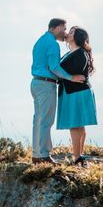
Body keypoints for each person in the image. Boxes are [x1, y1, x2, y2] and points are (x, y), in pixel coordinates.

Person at [30, 18, 86, 164]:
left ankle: (36, 154)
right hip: (45, 84)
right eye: (63, 29)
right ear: (55, 28)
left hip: (36, 83)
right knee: (46, 121)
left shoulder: (40, 41)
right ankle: (43, 155)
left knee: (38, 120)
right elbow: (54, 67)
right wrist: (71, 77)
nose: (65, 33)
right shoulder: (53, 44)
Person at [56, 26, 98, 166]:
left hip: (77, 92)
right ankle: (79, 157)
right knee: (78, 125)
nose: (68, 33)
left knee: (75, 125)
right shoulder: (70, 53)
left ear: (77, 37)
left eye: (72, 32)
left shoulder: (80, 53)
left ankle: (77, 157)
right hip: (72, 92)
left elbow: (68, 72)